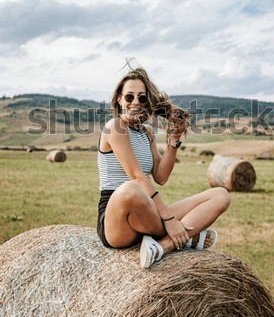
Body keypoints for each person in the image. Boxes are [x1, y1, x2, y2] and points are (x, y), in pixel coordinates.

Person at [97, 65, 231, 268]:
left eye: (142, 98)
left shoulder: (146, 133)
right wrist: (169, 219)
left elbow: (161, 177)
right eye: (129, 97)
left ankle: (166, 245)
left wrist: (173, 140)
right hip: (116, 220)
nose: (135, 102)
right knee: (132, 188)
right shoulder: (115, 126)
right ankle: (188, 235)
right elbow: (137, 177)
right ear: (119, 99)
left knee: (221, 195)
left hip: (148, 212)